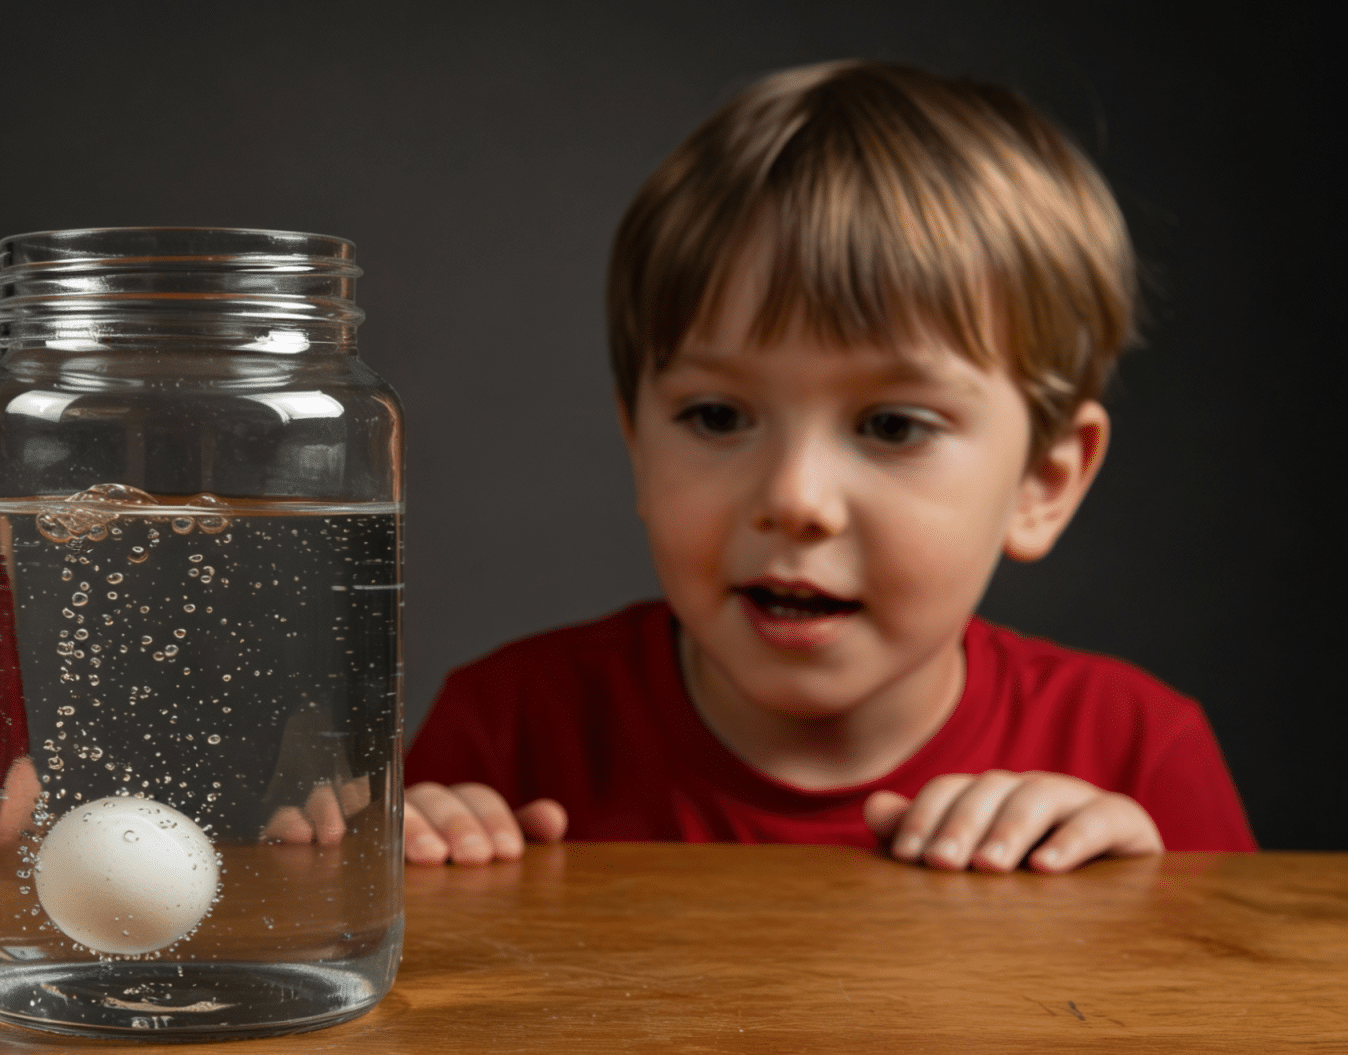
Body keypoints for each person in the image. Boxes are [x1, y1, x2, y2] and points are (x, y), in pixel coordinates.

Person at [403, 60, 1256, 872]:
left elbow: (1238, 1021)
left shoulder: (1136, 753)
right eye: (718, 416)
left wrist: (1141, 906)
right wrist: (355, 866)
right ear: (638, 444)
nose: (795, 499)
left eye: (891, 425)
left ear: (1045, 482)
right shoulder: (506, 736)